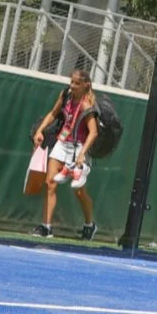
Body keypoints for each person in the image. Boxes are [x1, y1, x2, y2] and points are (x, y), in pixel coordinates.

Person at [32, 68, 99, 239]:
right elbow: (53, 113)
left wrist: (82, 153)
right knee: (50, 183)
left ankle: (89, 225)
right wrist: (40, 130)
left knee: (79, 191)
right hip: (62, 143)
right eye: (72, 82)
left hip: (79, 147)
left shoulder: (86, 105)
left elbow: (93, 132)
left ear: (86, 85)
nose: (73, 86)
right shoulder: (66, 95)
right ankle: (46, 227)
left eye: (77, 83)